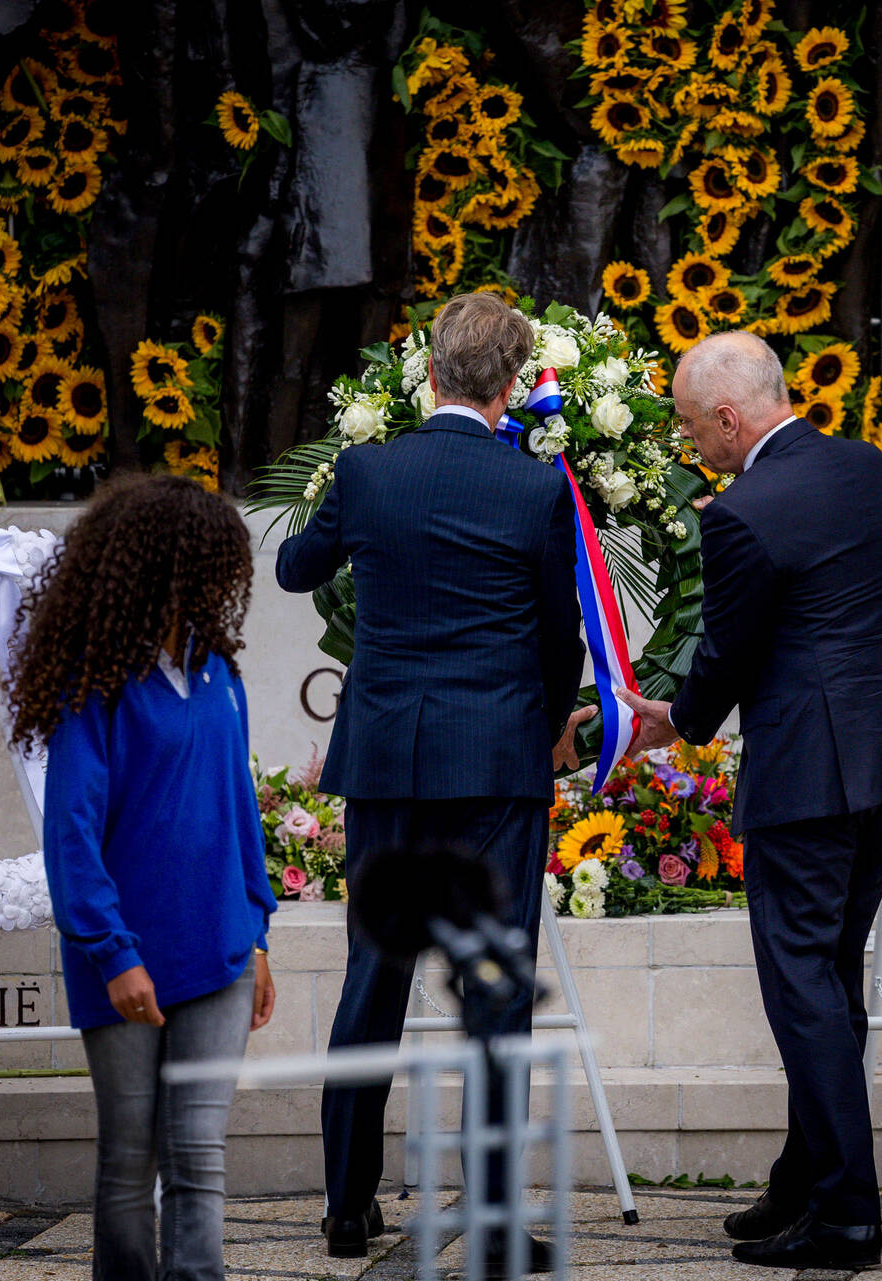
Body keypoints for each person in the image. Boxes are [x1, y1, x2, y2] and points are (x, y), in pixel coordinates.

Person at [620, 331, 882, 1272]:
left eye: (692, 427)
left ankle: (846, 1212)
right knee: (829, 974)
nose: (690, 443)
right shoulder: (866, 466)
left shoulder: (742, 512)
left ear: (730, 418)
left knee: (802, 983)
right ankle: (804, 1178)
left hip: (810, 778)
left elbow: (728, 649)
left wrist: (679, 719)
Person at [276, 291, 589, 1276]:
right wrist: (545, 727)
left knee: (374, 975)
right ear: (510, 385)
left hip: (390, 759)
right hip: (495, 762)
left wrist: (347, 526)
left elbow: (293, 569)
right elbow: (561, 638)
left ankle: (345, 1205)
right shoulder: (534, 488)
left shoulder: (368, 470)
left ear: (431, 374)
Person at [7, 474, 280, 1281]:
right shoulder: (93, 684)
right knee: (129, 1159)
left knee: (198, 1155)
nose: (222, 583)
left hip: (221, 954)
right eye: (210, 565)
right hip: (123, 961)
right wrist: (113, 952)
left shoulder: (218, 671)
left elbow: (240, 810)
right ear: (163, 566)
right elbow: (71, 835)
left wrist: (257, 932)